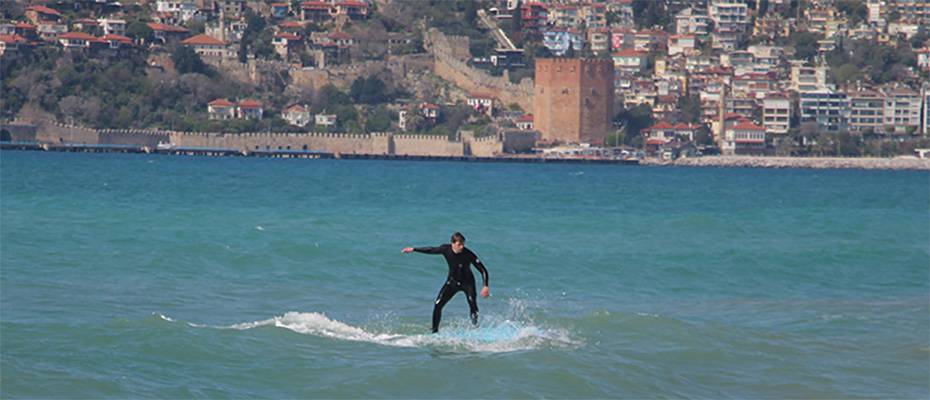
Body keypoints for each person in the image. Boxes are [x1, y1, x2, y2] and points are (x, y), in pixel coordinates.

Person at [402, 232, 490, 333]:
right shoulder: (445, 249)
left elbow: (483, 270)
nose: (461, 247)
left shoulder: (468, 254)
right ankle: (434, 331)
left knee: (472, 304)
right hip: (452, 283)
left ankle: (475, 328)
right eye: (459, 244)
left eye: (463, 244)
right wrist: (414, 249)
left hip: (468, 283)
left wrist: (485, 286)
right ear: (452, 243)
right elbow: (431, 249)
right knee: (438, 305)